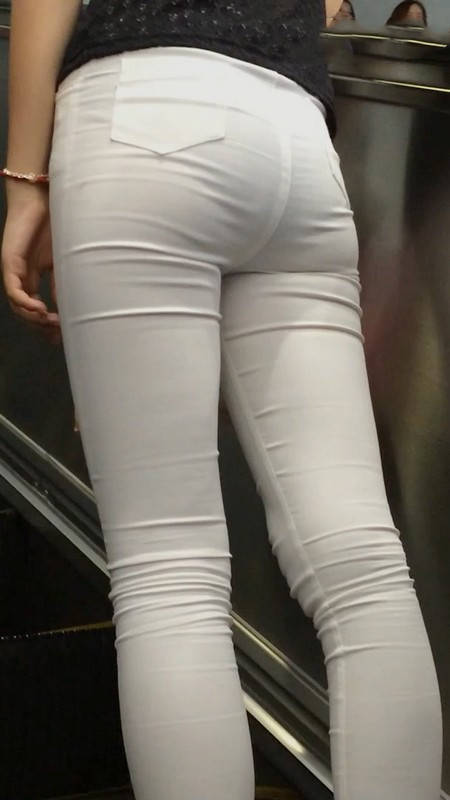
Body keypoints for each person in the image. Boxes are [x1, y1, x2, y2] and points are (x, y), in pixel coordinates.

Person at [0, 1, 443, 799]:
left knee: (168, 571)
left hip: (142, 112)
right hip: (296, 142)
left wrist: (25, 181)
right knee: (362, 570)